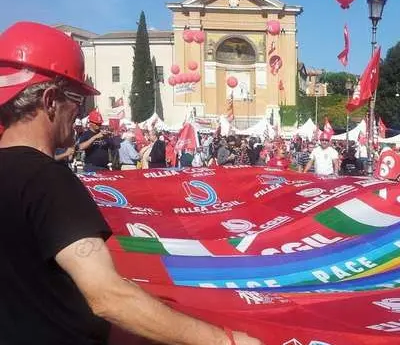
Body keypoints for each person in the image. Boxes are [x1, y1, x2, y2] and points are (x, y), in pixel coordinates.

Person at [0, 21, 261, 344]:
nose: (81, 111)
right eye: (77, 99)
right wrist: (226, 341)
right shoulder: (47, 181)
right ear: (51, 100)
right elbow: (108, 296)